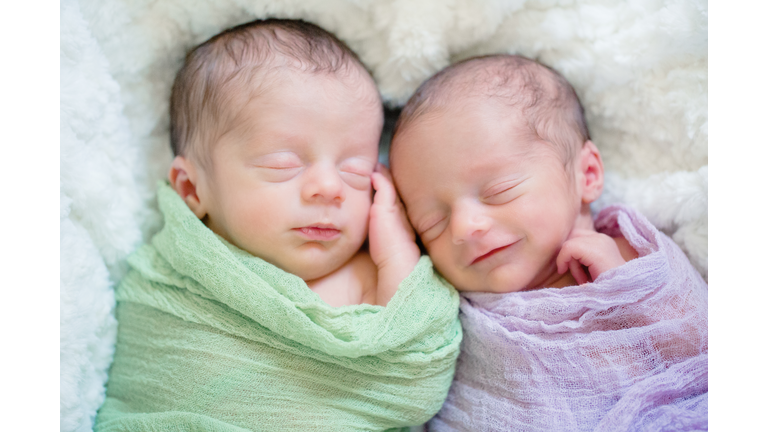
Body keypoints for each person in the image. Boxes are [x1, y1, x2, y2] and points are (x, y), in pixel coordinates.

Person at [95, 19, 461, 432]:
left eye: (356, 171)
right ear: (192, 190)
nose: (329, 187)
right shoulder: (171, 283)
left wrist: (396, 251)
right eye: (283, 164)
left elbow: (416, 352)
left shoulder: (370, 275)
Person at [390, 54, 708, 431]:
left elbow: (702, 345)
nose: (463, 228)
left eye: (498, 191)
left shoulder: (631, 255)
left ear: (586, 174)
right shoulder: (447, 306)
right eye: (433, 223)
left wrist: (629, 293)